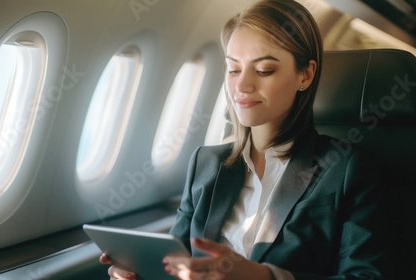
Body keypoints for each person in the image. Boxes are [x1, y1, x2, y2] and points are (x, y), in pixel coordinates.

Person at [100, 0, 392, 279]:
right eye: (234, 69)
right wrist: (142, 272)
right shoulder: (206, 162)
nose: (242, 85)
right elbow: (178, 262)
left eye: (264, 69)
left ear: (306, 74)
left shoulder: (346, 168)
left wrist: (266, 277)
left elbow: (365, 275)